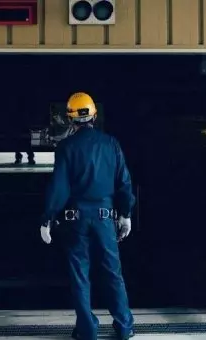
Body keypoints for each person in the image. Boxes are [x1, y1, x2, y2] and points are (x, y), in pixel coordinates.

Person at [39, 92, 136, 340]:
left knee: (80, 275)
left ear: (71, 119)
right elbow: (124, 182)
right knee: (113, 272)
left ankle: (87, 329)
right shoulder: (111, 143)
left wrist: (47, 218)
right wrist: (125, 214)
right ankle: (124, 327)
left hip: (76, 220)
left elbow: (59, 187)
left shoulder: (65, 148)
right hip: (105, 218)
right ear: (94, 115)